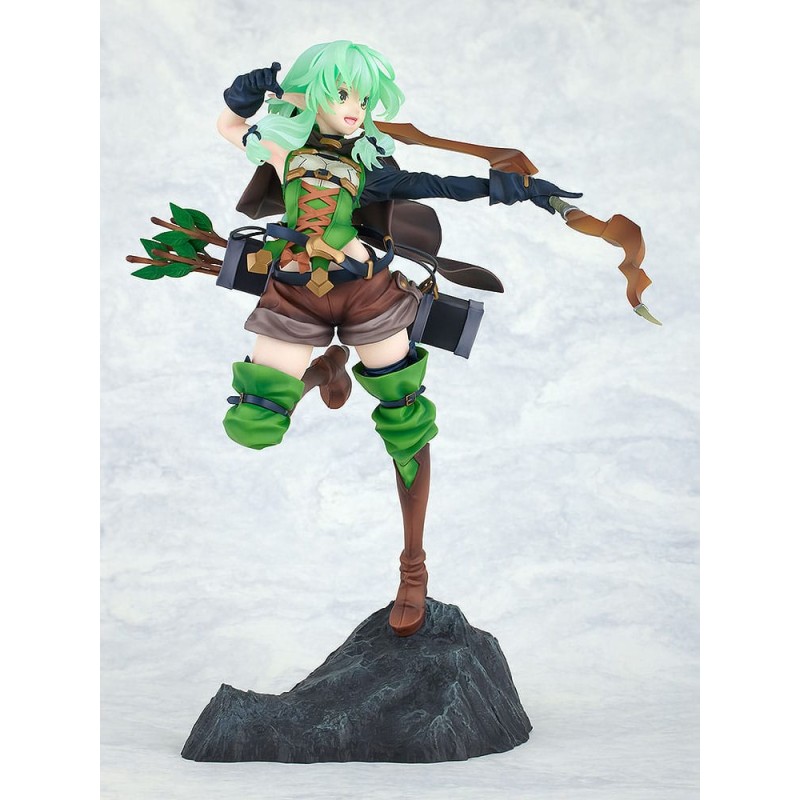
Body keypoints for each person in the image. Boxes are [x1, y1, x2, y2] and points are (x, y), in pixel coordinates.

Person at [216, 40, 580, 637]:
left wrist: (512, 189)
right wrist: (244, 92)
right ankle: (323, 371)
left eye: (363, 98)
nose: (355, 108)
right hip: (294, 291)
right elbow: (230, 127)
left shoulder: (371, 167)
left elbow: (439, 183)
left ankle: (414, 567)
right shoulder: (282, 149)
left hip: (367, 296)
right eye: (342, 94)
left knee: (404, 421)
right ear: (311, 94)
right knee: (251, 424)